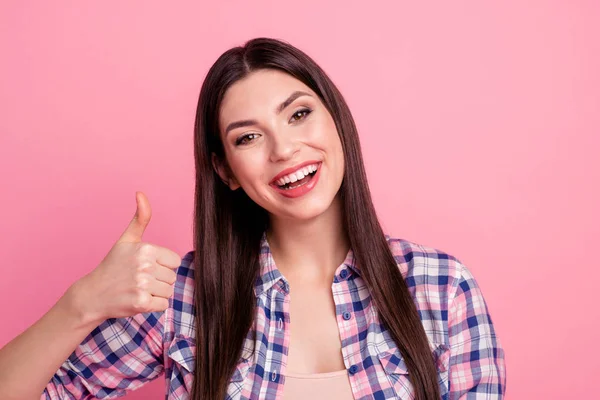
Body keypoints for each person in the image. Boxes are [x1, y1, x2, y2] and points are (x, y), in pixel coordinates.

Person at [0, 37, 506, 400]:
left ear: (337, 120)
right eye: (248, 137)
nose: (285, 148)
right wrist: (81, 303)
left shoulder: (440, 288)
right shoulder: (186, 297)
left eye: (299, 113)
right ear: (227, 172)